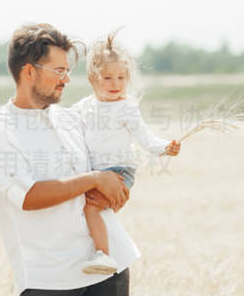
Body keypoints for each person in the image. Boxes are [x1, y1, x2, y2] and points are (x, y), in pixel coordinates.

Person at [0, 23, 140, 296]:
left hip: (109, 262)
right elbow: (28, 196)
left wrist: (115, 190)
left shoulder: (72, 118)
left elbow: (109, 172)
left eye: (68, 70)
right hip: (47, 273)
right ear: (29, 71)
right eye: (59, 70)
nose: (67, 79)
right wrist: (92, 179)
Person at [75, 32, 181, 275]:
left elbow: (146, 138)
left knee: (90, 208)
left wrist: (166, 147)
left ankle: (103, 255)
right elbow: (66, 125)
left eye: (121, 77)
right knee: (83, 204)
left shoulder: (126, 109)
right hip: (96, 172)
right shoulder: (84, 107)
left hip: (120, 171)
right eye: (108, 77)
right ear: (93, 78)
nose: (115, 84)